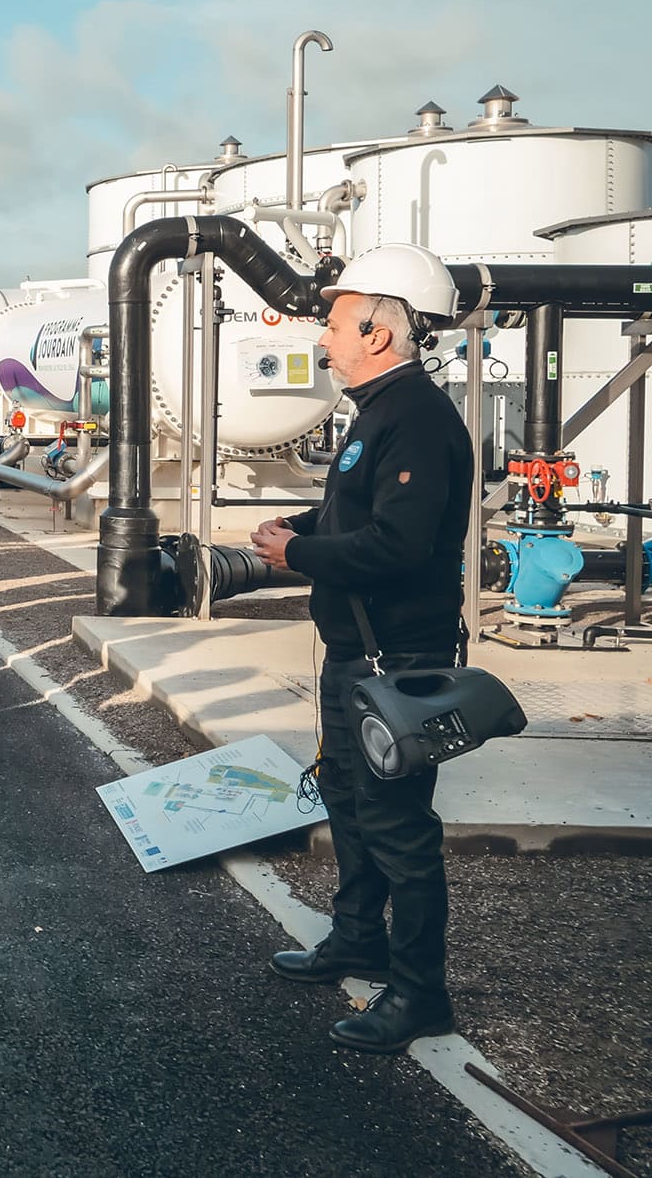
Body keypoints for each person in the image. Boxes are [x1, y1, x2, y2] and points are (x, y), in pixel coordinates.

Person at [249, 242, 471, 1055]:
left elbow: (400, 546)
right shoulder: (378, 411)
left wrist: (294, 557)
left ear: (379, 331)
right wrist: (298, 530)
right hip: (358, 659)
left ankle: (419, 993)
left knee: (400, 830)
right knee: (347, 799)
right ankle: (356, 941)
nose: (324, 337)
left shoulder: (413, 417)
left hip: (399, 663)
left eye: (337, 322)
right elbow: (355, 515)